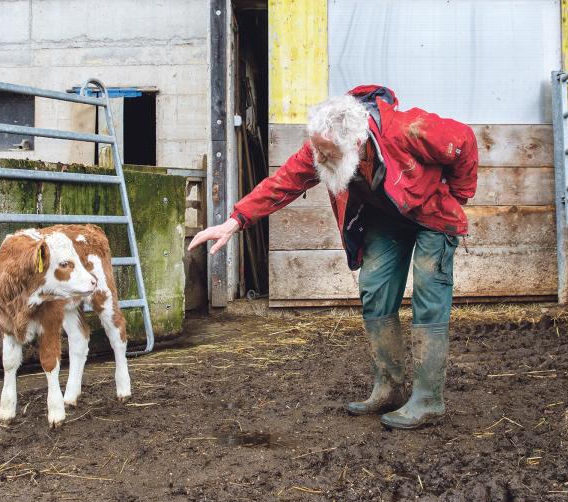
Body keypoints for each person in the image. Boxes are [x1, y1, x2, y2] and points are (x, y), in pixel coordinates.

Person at [188, 85, 478, 429]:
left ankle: (428, 399)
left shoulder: (408, 130)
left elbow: (463, 140)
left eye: (327, 153)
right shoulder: (323, 147)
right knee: (374, 289)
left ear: (357, 143)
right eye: (317, 150)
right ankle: (389, 386)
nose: (319, 159)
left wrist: (458, 194)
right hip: (386, 219)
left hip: (431, 214)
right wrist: (235, 221)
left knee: (429, 295)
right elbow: (282, 183)